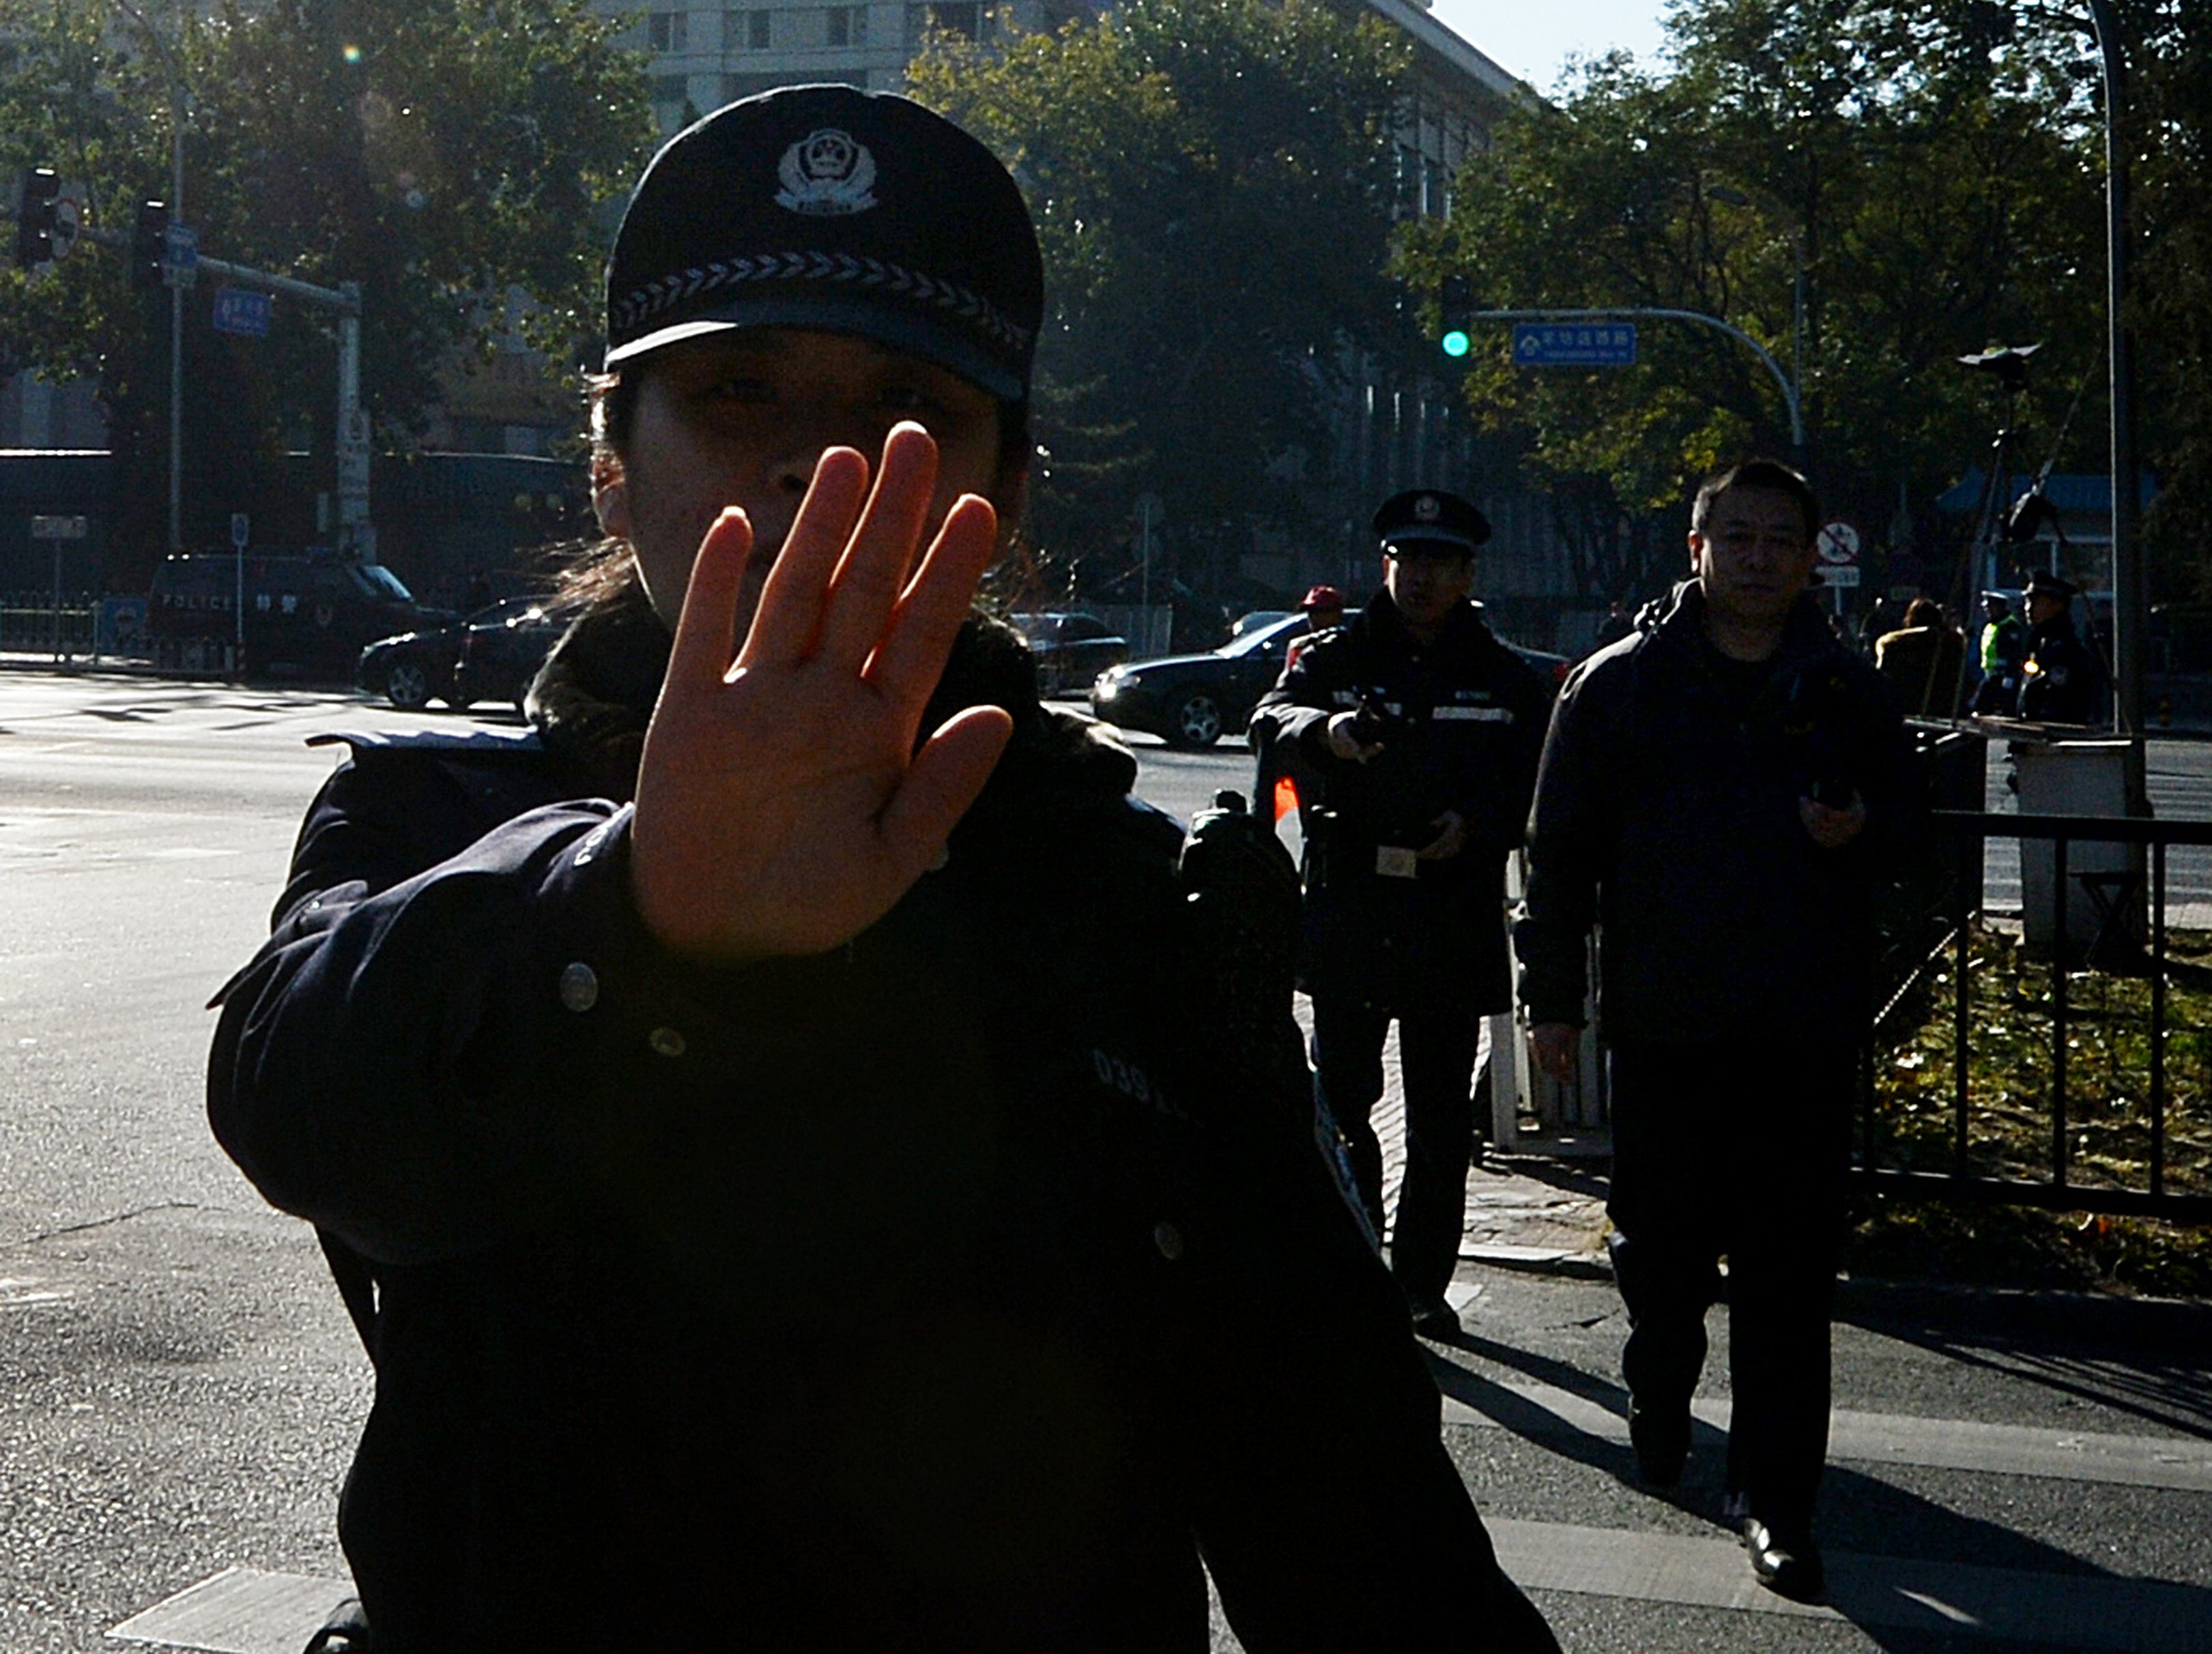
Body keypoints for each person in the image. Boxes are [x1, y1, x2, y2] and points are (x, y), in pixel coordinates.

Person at [205, 87, 1557, 1653]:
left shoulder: (1141, 902)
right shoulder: (430, 818)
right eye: (737, 392)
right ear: (607, 468)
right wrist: (636, 913)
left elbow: (1353, 1517)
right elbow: (299, 1104)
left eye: (905, 410)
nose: (814, 470)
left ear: (1009, 498)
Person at [1514, 456, 1918, 1605]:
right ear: (1694, 549)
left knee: (1789, 1277)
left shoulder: (1848, 687)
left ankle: (1777, 1498)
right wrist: (1553, 998)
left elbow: (1918, 837)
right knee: (1663, 1252)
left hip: (1800, 1027)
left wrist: (1860, 834)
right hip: (1666, 1025)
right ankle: (1657, 1382)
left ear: (1808, 556)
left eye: (1776, 539)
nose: (1755, 558)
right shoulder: (1616, 686)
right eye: (1733, 536)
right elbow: (1559, 859)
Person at [1250, 490, 1552, 1341]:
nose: (1419, 577)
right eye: (1406, 559)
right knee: (1343, 1096)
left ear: (1467, 574)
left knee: (1439, 1114)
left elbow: (1535, 777)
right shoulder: (1333, 655)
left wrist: (1477, 825)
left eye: (1437, 563)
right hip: (1351, 898)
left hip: (1447, 912)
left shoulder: (1501, 672)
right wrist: (1326, 730)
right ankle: (1354, 1256)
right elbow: (1269, 716)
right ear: (1386, 565)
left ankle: (1421, 1282)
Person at [2017, 568, 2108, 725]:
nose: (2028, 608)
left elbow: (2060, 703)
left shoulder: (2064, 648)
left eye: (2035, 601)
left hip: (2054, 736)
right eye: (2027, 601)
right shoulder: (2040, 642)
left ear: (2057, 605)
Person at [1873, 596, 1966, 717]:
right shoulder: (1954, 643)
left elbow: (1882, 679)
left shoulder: (1893, 644)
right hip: (1944, 707)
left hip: (1905, 708)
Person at [1971, 590, 2028, 714]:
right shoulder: (1991, 626)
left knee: (2005, 708)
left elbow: (2014, 653)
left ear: (1999, 607)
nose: (1988, 611)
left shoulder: (2009, 626)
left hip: (2003, 675)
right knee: (1979, 707)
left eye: (1990, 607)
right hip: (1990, 675)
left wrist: (2010, 676)